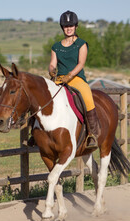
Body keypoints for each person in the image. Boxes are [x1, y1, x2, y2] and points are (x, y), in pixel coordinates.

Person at [49, 10, 100, 149]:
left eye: (71, 25)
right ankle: (34, 132)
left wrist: (69, 76)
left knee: (87, 96)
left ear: (76, 26)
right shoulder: (56, 46)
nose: (69, 28)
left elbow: (80, 64)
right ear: (62, 28)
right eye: (66, 26)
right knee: (42, 95)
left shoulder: (81, 44)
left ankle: (92, 133)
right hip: (59, 79)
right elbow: (53, 63)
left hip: (76, 78)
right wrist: (51, 69)